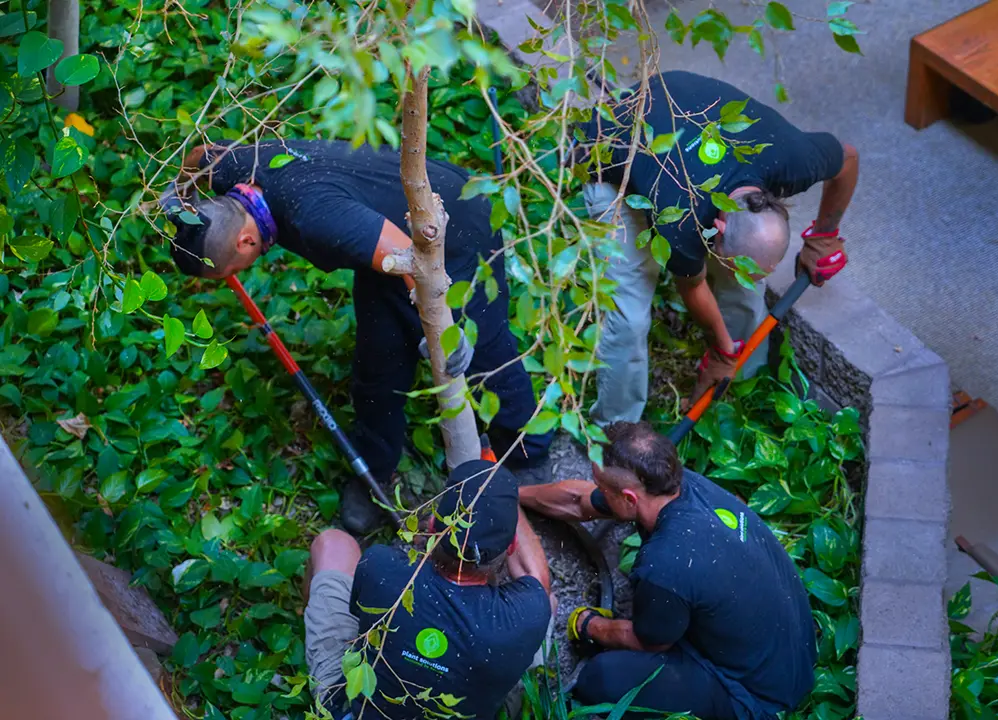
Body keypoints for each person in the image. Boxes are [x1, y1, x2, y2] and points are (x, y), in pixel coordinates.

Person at [164, 139, 554, 532]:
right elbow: (197, 154)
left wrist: (445, 328)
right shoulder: (232, 167)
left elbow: (414, 258)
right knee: (378, 363)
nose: (236, 276)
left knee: (483, 353)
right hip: (383, 237)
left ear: (245, 241)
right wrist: (178, 195)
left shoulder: (314, 217)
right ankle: (375, 464)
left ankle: (527, 450)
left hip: (451, 230)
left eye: (230, 271)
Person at [575, 70, 859, 423]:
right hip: (613, 158)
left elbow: (848, 159)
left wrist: (824, 236)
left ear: (772, 201)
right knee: (629, 312)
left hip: (681, 115)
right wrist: (721, 350)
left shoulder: (790, 157)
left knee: (741, 287)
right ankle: (614, 430)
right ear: (717, 228)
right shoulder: (678, 220)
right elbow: (691, 286)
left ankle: (741, 385)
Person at [518, 421, 816, 720]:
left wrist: (589, 625)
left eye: (603, 488)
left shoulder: (665, 563)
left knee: (601, 678)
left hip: (759, 694)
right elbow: (577, 500)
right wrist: (513, 495)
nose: (598, 492)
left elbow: (649, 642)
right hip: (791, 643)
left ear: (629, 498)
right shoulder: (679, 487)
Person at [303, 459, 553, 719]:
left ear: (432, 526)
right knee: (549, 610)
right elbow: (535, 578)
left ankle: (307, 613)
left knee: (332, 544)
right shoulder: (527, 614)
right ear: (511, 546)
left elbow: (359, 617)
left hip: (358, 708)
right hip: (468, 706)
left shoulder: (381, 569)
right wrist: (506, 501)